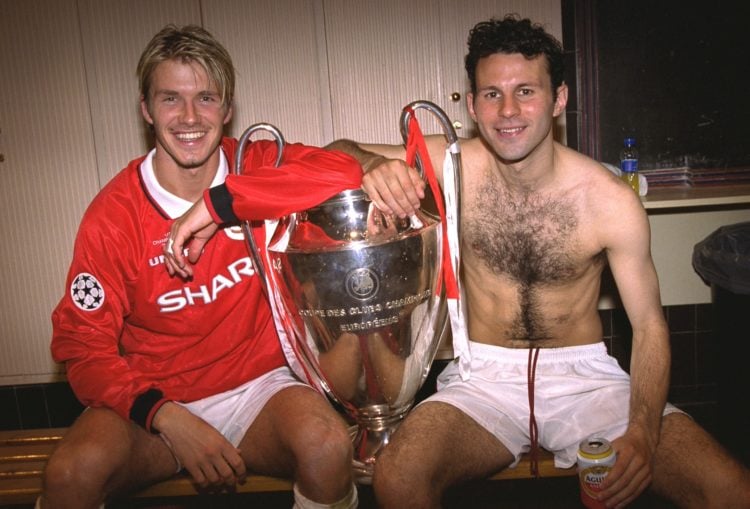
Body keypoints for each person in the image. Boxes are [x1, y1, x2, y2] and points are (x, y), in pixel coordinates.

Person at [326, 14, 750, 509]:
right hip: (484, 379)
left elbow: (650, 326)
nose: (508, 110)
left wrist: (642, 432)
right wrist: (375, 166)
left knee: (729, 489)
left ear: (559, 99)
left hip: (585, 381)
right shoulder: (453, 165)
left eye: (526, 91)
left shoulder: (609, 200)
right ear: (473, 104)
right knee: (399, 476)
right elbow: (333, 151)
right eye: (491, 94)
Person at [44, 24, 362, 509]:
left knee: (328, 447)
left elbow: (344, 172)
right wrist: (167, 416)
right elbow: (82, 350)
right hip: (155, 400)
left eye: (207, 98)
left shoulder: (256, 164)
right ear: (147, 110)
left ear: (228, 109)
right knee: (70, 476)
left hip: (258, 390)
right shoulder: (114, 215)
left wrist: (224, 204)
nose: (190, 117)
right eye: (171, 98)